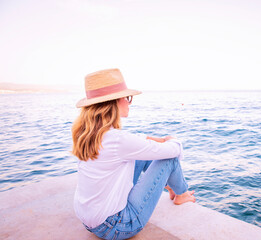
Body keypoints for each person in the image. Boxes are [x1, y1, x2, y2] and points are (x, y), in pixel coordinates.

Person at [72, 68, 195, 240]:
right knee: (169, 160)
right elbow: (173, 150)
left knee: (140, 155)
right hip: (117, 226)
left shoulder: (88, 134)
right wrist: (172, 139)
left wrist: (157, 140)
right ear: (114, 102)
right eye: (127, 98)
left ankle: (170, 187)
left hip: (88, 220)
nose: (129, 102)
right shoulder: (117, 140)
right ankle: (181, 194)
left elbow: (136, 142)